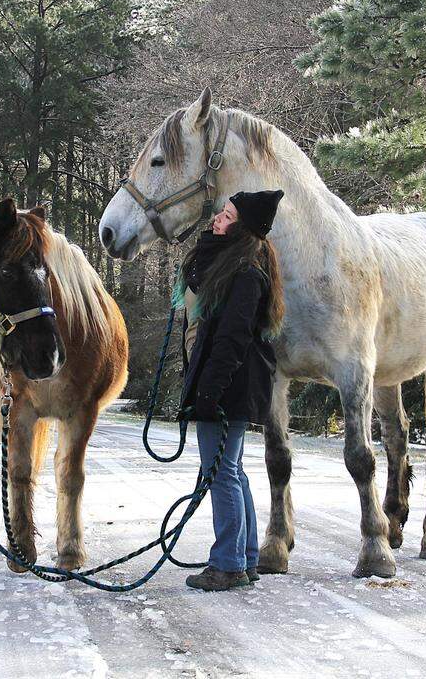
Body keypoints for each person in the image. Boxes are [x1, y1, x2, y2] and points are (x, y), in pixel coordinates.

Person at [175, 189, 286, 591]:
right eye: (220, 214)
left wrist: (210, 391)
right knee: (233, 471)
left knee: (220, 473)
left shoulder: (245, 273)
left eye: (225, 216)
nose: (216, 220)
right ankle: (246, 556)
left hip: (230, 386)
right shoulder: (241, 266)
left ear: (241, 227)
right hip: (235, 384)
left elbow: (232, 337)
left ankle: (228, 563)